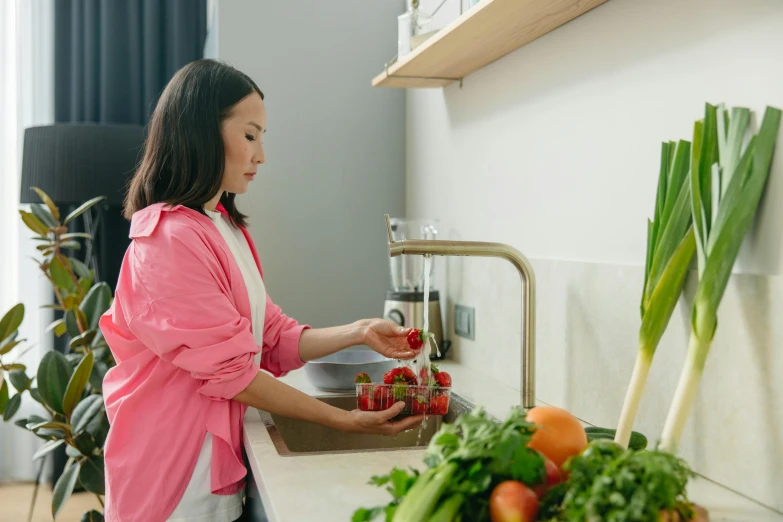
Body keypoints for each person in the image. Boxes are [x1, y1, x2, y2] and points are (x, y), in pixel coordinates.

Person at [98, 58, 425, 522]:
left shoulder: (222, 226)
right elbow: (233, 372)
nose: (261, 155)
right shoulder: (167, 241)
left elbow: (269, 335)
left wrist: (358, 331)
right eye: (250, 135)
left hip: (209, 467)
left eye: (262, 138)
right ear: (201, 133)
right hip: (171, 476)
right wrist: (343, 420)